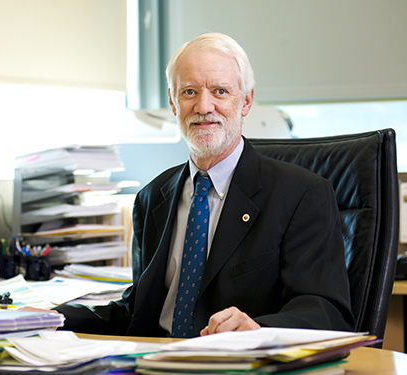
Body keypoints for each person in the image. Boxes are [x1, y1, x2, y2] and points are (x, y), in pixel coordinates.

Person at [54, 32, 355, 337]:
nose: (203, 106)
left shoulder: (300, 195)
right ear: (173, 103)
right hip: (157, 361)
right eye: (189, 92)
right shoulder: (151, 197)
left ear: (246, 100)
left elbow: (326, 312)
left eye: (220, 91)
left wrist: (259, 329)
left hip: (238, 365)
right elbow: (137, 312)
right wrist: (50, 318)